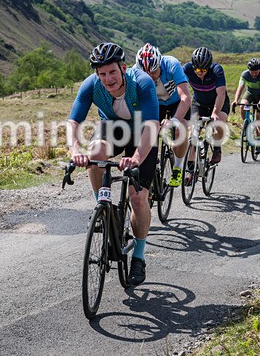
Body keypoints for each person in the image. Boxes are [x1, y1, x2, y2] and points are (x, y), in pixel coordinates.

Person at [68, 42, 160, 287]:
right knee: (95, 152)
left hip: (143, 135)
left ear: (123, 67)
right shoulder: (92, 85)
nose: (107, 79)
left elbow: (152, 126)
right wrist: (75, 150)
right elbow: (73, 123)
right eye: (102, 74)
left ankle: (139, 256)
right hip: (113, 129)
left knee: (138, 198)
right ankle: (104, 207)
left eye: (112, 72)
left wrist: (137, 158)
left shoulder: (141, 83)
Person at [134, 43, 191, 188]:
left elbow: (185, 97)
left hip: (176, 103)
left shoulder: (171, 64)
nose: (150, 78)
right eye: (145, 75)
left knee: (180, 129)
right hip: (155, 105)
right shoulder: (135, 72)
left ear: (160, 64)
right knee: (145, 131)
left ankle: (178, 167)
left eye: (153, 72)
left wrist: (175, 120)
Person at [183, 47, 230, 169]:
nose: (200, 72)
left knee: (220, 120)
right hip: (199, 102)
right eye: (197, 69)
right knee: (193, 132)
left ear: (209, 67)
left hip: (218, 101)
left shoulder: (217, 70)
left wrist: (215, 112)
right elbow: (180, 86)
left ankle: (217, 148)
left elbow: (221, 94)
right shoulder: (187, 69)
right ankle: (190, 168)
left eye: (204, 70)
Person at [231, 58, 260, 154]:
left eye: (256, 72)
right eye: (252, 72)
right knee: (242, 106)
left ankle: (259, 142)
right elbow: (240, 88)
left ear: (259, 70)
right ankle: (246, 124)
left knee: (259, 118)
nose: (254, 74)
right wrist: (236, 100)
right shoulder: (245, 74)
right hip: (250, 93)